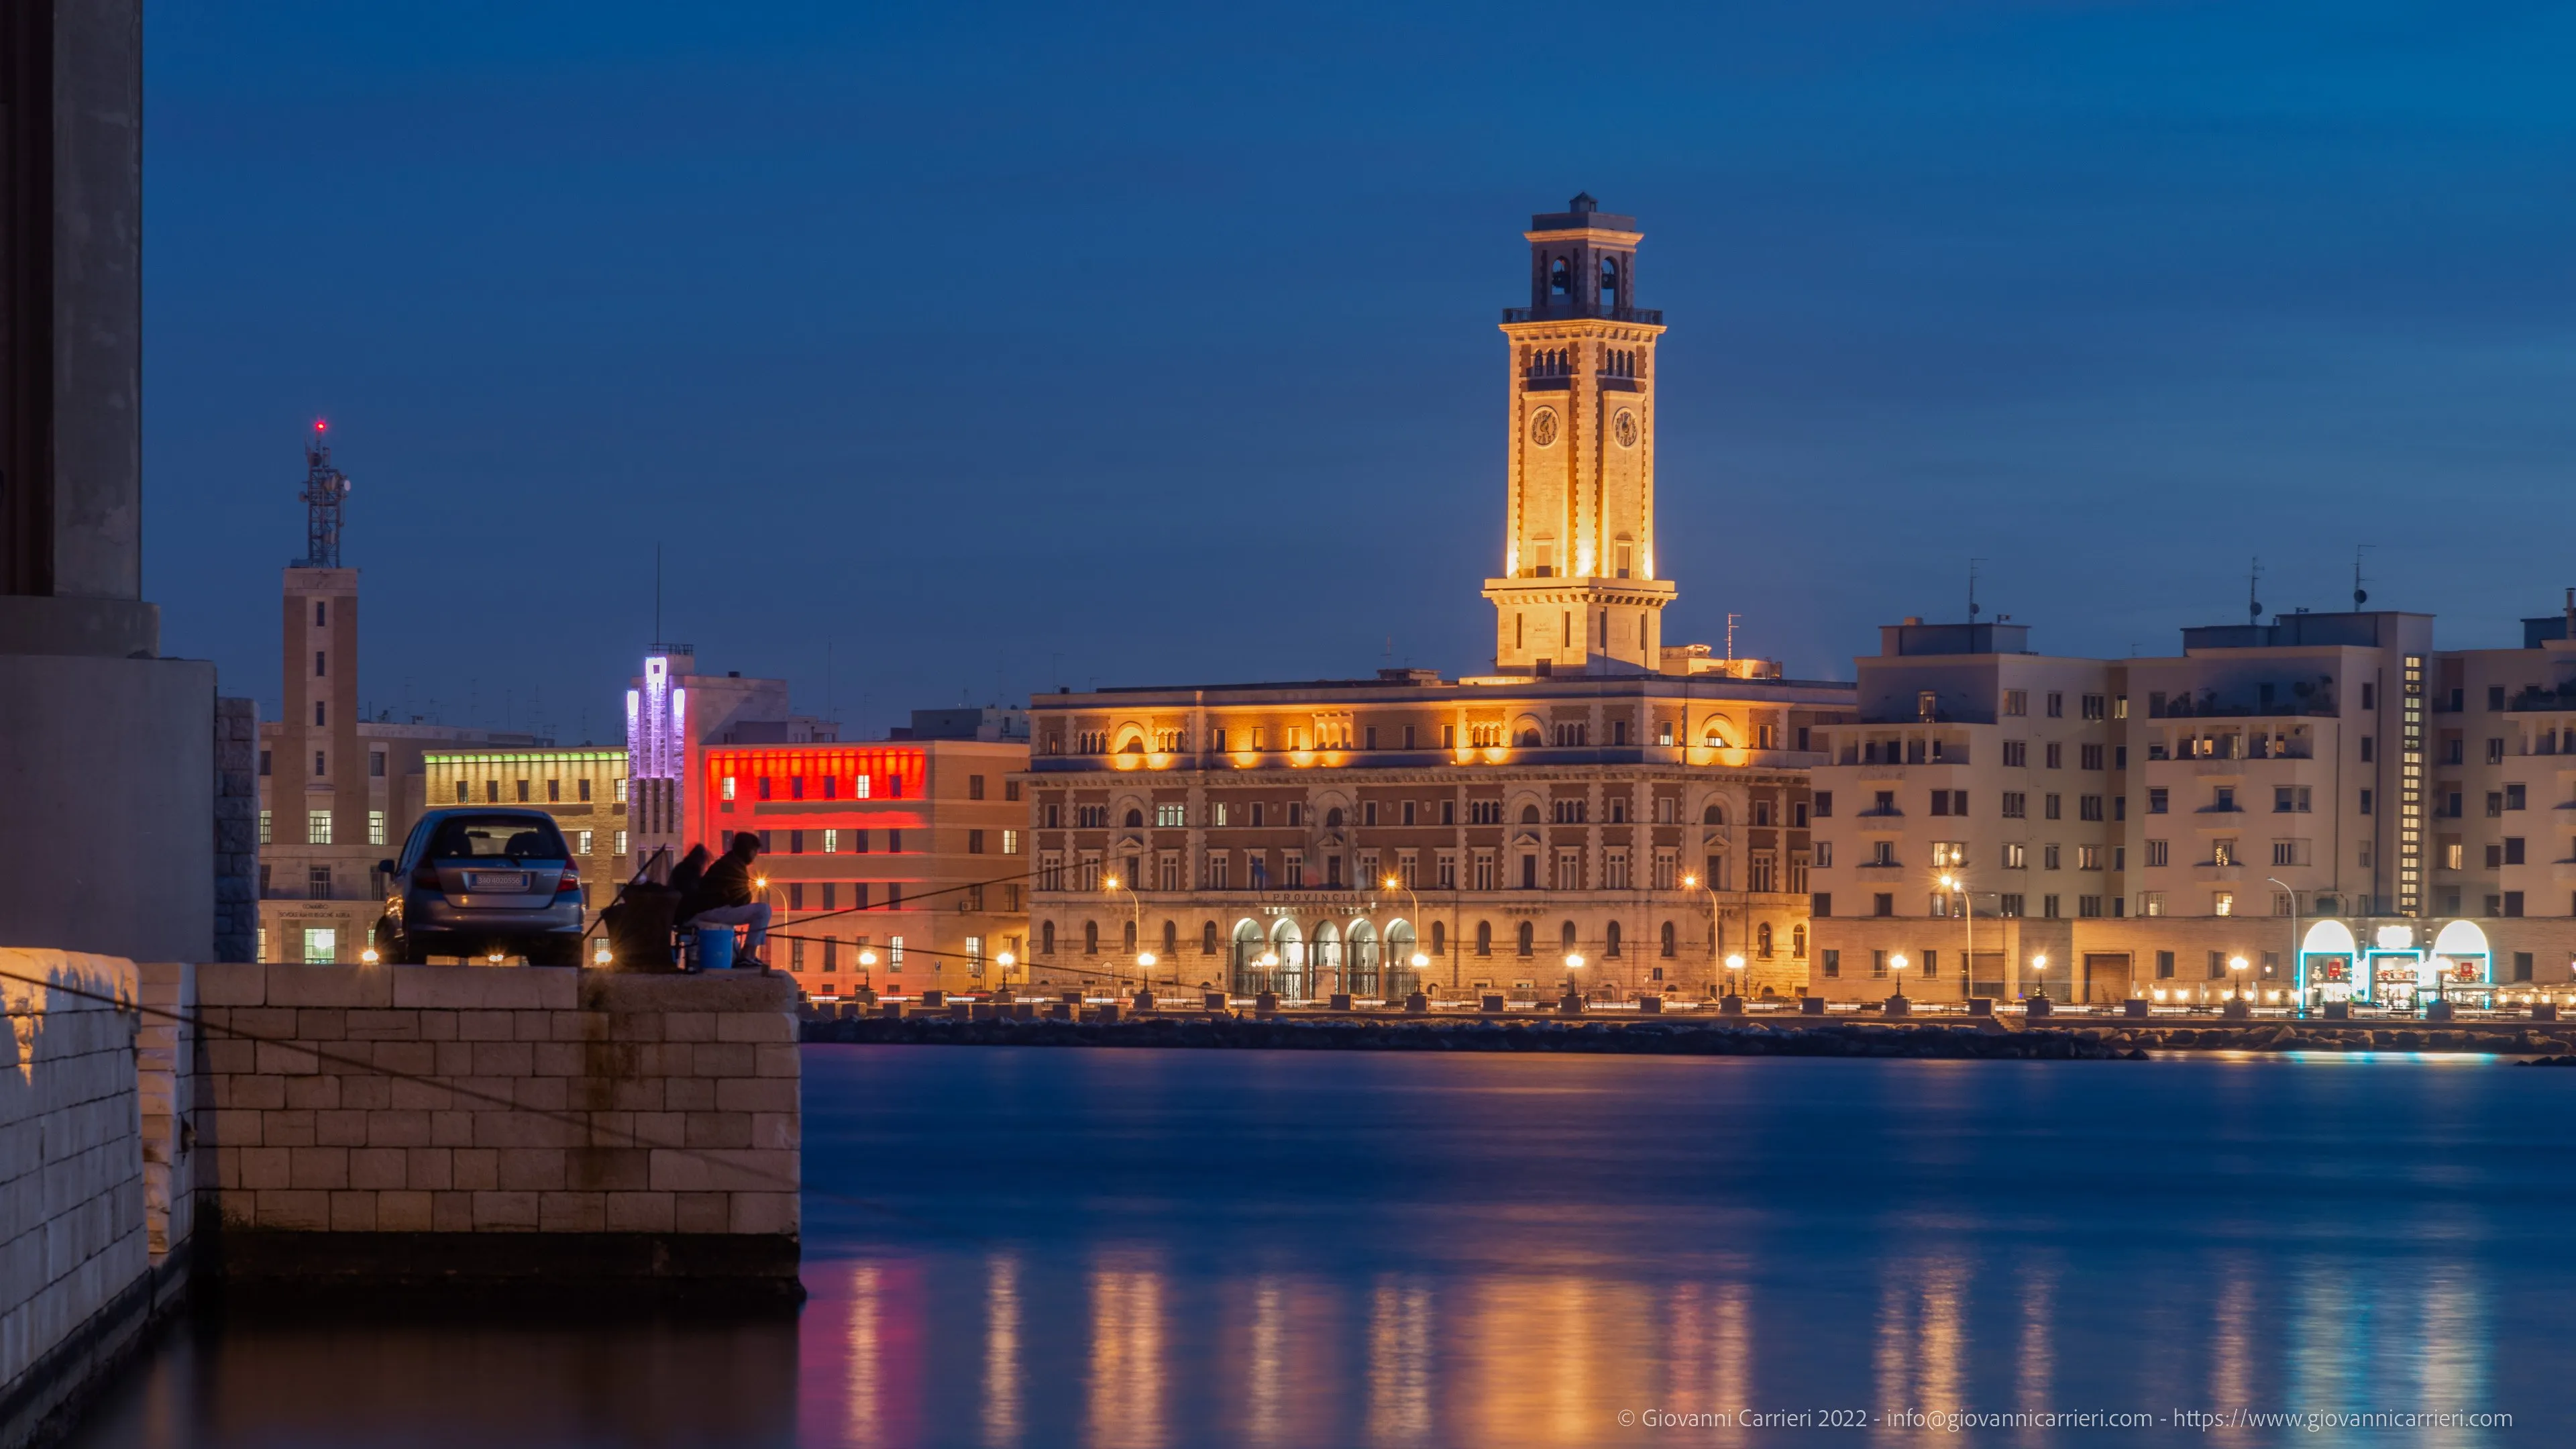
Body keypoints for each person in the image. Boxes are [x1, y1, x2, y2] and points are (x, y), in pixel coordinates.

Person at [678, 834, 770, 969]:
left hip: (706, 911)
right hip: (710, 912)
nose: (755, 855)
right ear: (747, 850)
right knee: (763, 911)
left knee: (761, 912)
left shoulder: (728, 863)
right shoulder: (733, 867)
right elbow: (741, 900)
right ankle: (748, 956)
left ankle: (747, 956)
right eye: (755, 851)